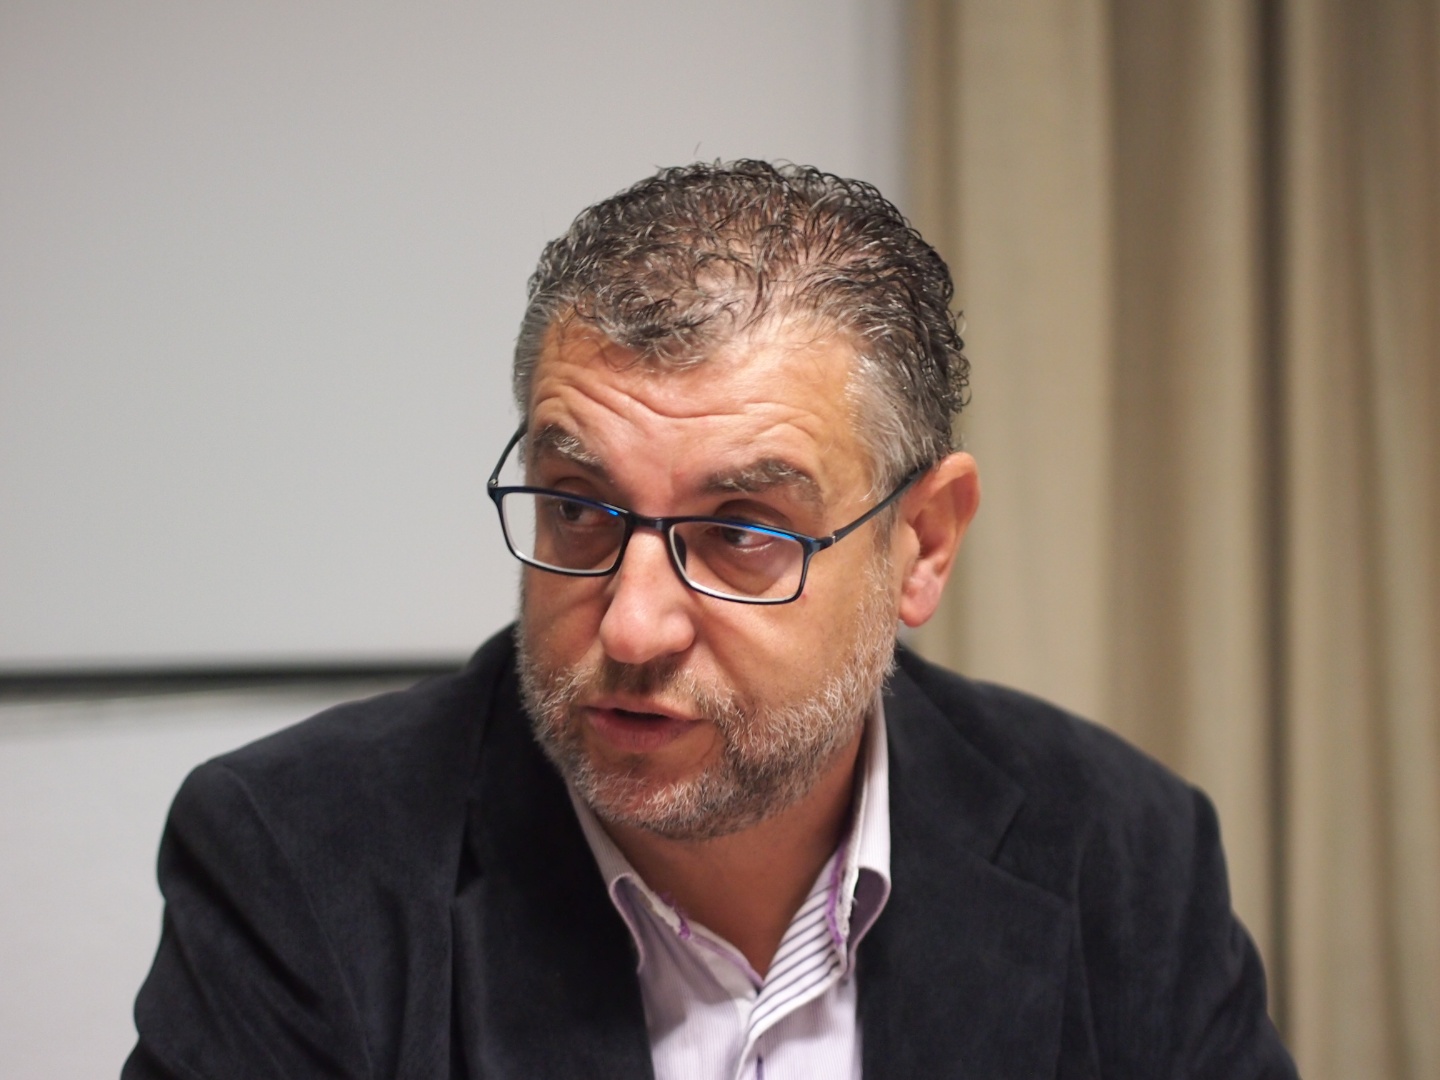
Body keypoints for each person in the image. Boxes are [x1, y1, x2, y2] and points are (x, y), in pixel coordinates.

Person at [124, 161, 1298, 1079]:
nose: (632, 629)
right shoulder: (297, 859)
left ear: (923, 543)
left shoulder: (1119, 853)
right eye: (578, 509)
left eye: (741, 529)